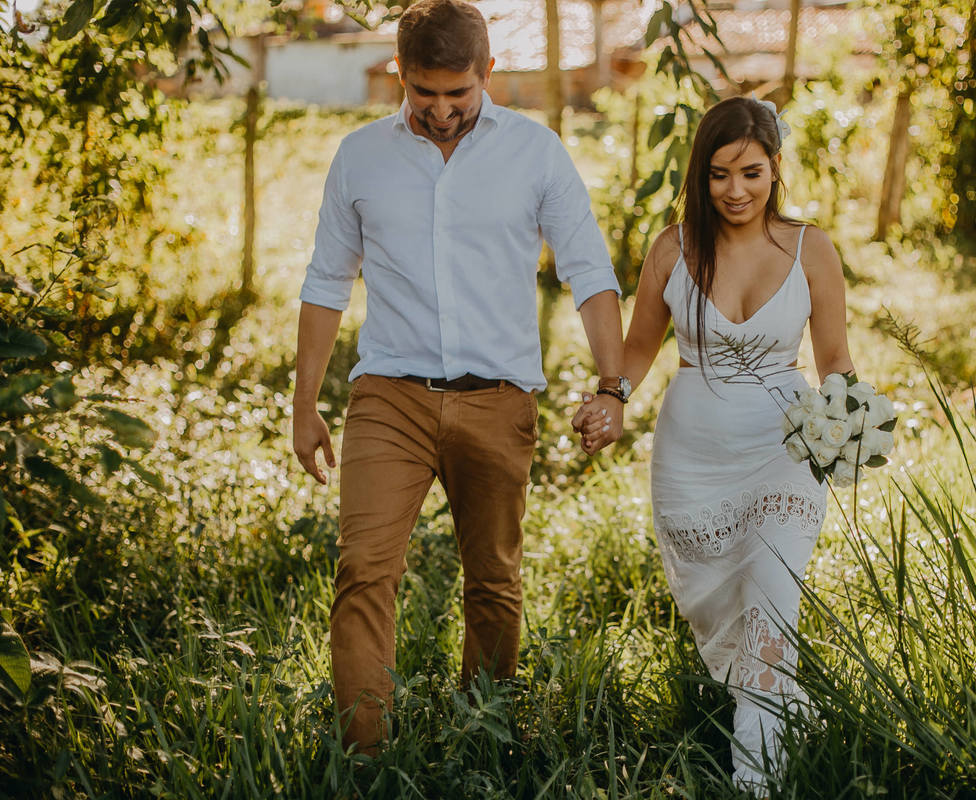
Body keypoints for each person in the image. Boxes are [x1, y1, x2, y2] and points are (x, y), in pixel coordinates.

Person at [292, 0, 628, 754]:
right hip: (390, 395)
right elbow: (325, 283)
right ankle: (365, 755)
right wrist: (304, 402)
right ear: (399, 77)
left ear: (489, 73)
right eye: (423, 93)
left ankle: (483, 740)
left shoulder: (536, 154)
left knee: (493, 582)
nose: (440, 111)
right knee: (363, 570)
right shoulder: (360, 157)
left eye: (457, 94)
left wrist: (612, 386)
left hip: (498, 400)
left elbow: (589, 270)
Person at [573, 96, 855, 792]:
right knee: (725, 620)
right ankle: (800, 724)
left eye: (752, 174)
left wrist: (855, 416)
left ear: (776, 168)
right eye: (720, 175)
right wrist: (610, 398)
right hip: (692, 461)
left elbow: (836, 358)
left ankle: (757, 781)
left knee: (771, 603)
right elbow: (640, 346)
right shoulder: (674, 248)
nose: (737, 191)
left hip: (785, 449)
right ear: (700, 174)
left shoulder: (810, 247)